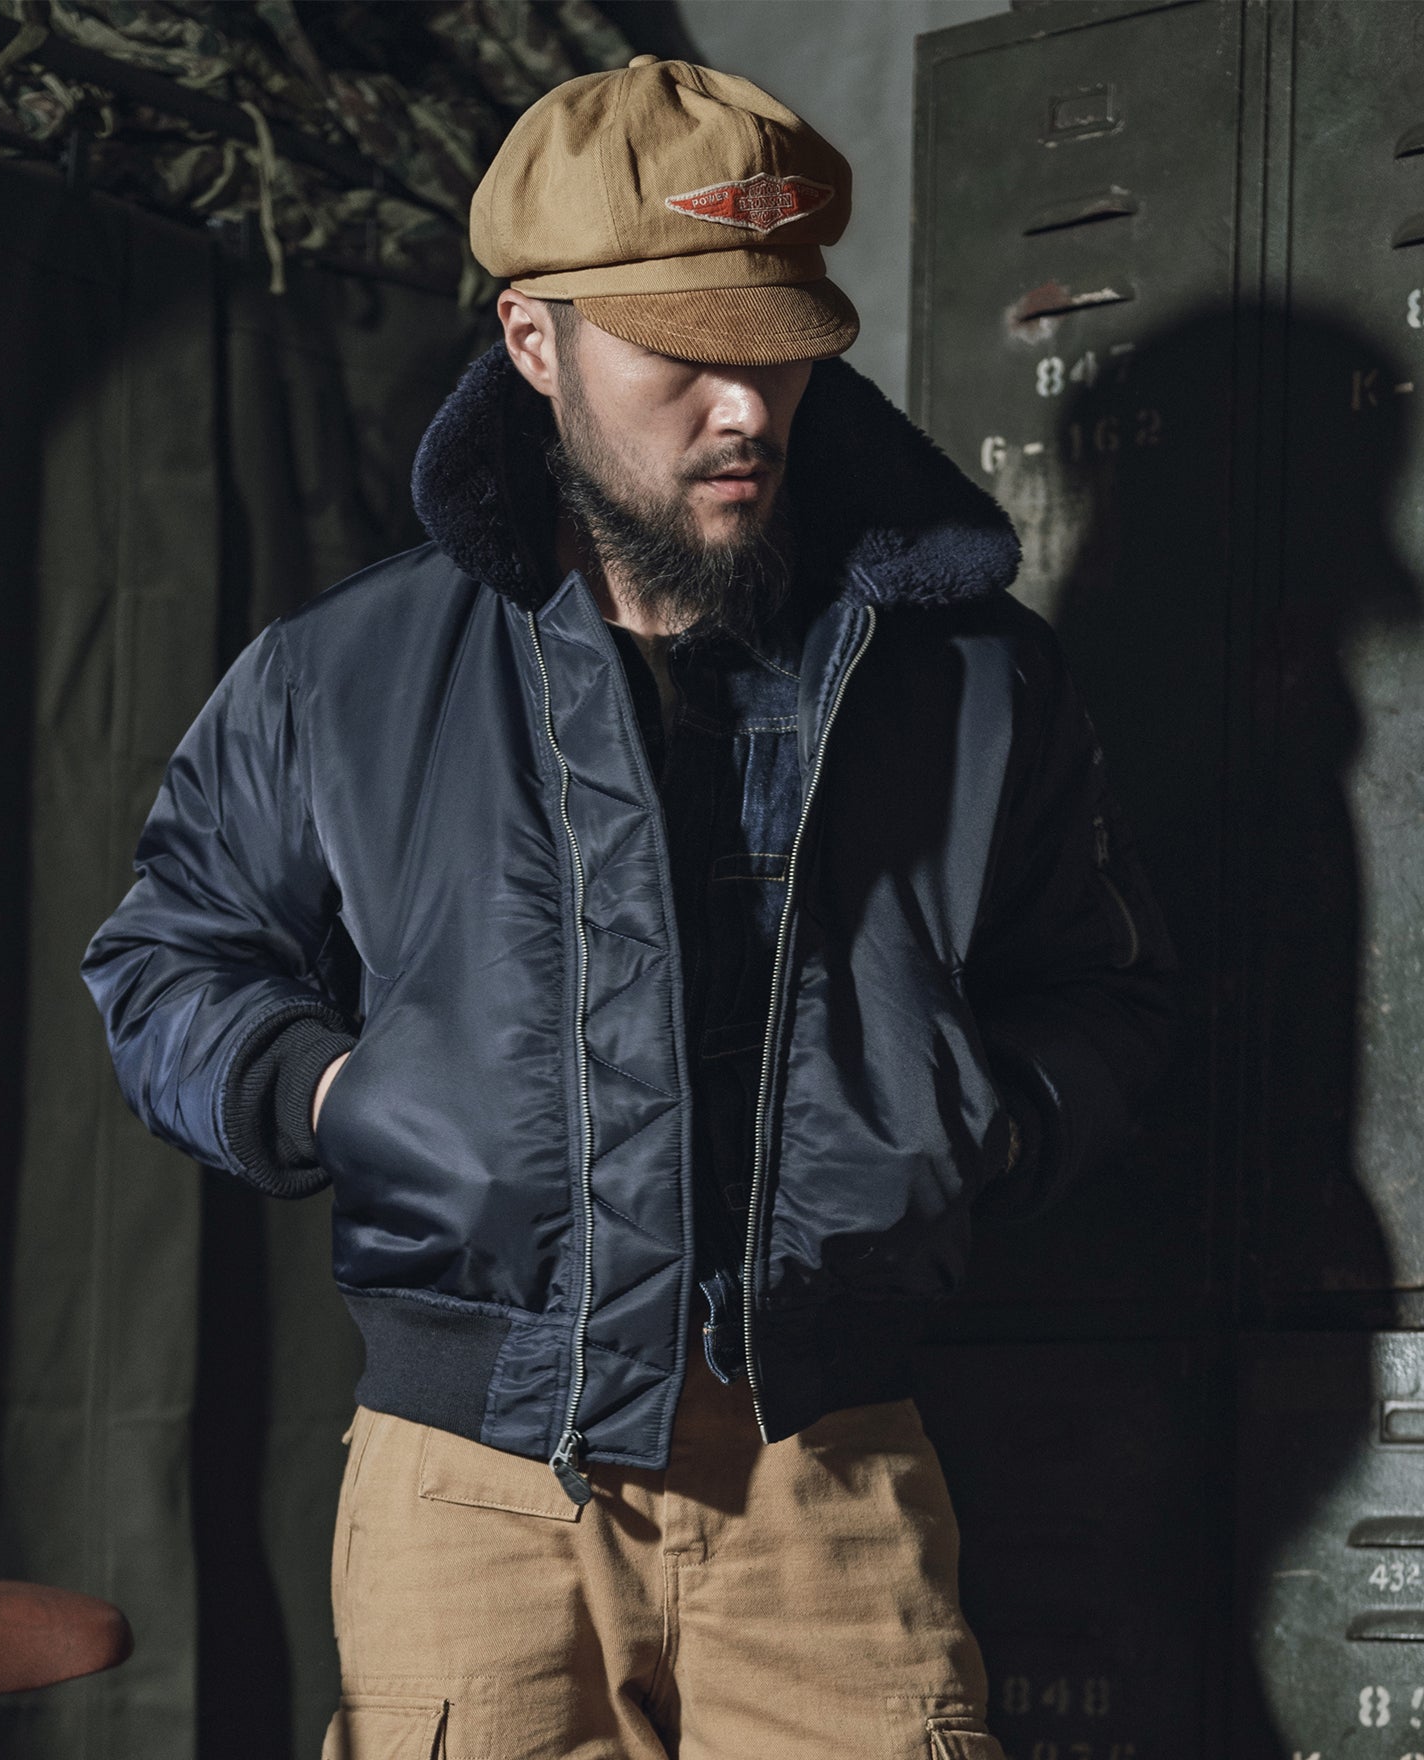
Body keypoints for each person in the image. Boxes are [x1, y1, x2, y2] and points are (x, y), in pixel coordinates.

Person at [81, 54, 1175, 1760]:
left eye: (781, 350)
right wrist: (336, 1092)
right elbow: (167, 958)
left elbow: (1105, 995)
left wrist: (979, 1119)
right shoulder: (340, 675)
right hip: (471, 1493)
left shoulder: (974, 681)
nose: (747, 408)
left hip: (832, 1476)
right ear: (535, 342)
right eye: (684, 355)